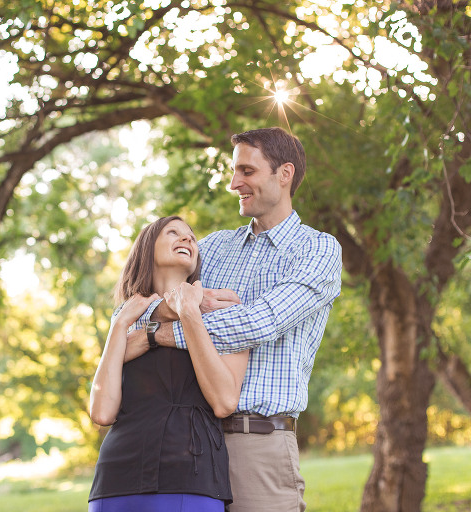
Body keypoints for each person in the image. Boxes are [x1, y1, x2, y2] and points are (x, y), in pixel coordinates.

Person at [126, 127, 343, 512]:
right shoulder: (211, 248)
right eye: (233, 171)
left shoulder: (318, 249)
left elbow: (260, 322)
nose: (233, 183)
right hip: (187, 443)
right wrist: (171, 310)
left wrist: (163, 333)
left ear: (285, 173)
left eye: (246, 171)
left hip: (256, 444)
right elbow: (131, 307)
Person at [88, 216, 250, 512]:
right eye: (173, 232)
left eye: (191, 236)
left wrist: (188, 310)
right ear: (147, 249)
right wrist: (121, 323)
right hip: (115, 479)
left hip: (191, 476)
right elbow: (101, 411)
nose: (187, 239)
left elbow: (225, 402)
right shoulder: (123, 319)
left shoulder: (223, 311)